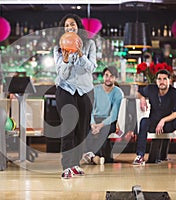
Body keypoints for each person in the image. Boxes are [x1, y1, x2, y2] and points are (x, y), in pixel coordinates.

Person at [53, 13, 97, 179]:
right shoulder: (58, 48)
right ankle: (66, 166)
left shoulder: (89, 44)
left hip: (85, 90)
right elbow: (61, 75)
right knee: (68, 127)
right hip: (66, 90)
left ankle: (75, 163)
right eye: (66, 26)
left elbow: (91, 68)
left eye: (72, 24)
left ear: (78, 27)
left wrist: (79, 54)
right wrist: (65, 60)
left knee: (82, 129)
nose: (69, 28)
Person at [133, 69, 176, 165]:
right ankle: (140, 156)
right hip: (153, 123)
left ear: (170, 81)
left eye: (165, 79)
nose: (162, 81)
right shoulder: (151, 89)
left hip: (168, 124)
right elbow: (138, 92)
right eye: (159, 79)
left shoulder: (174, 92)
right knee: (144, 121)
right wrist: (142, 98)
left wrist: (163, 120)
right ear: (156, 81)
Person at [81, 66, 123, 165]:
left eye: (111, 76)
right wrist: (92, 123)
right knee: (85, 128)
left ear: (115, 78)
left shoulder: (118, 93)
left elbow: (114, 115)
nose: (108, 78)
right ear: (103, 77)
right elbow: (90, 109)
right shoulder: (95, 90)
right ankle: (95, 156)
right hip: (95, 119)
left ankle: (92, 155)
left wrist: (100, 126)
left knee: (105, 129)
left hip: (109, 121)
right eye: (106, 75)